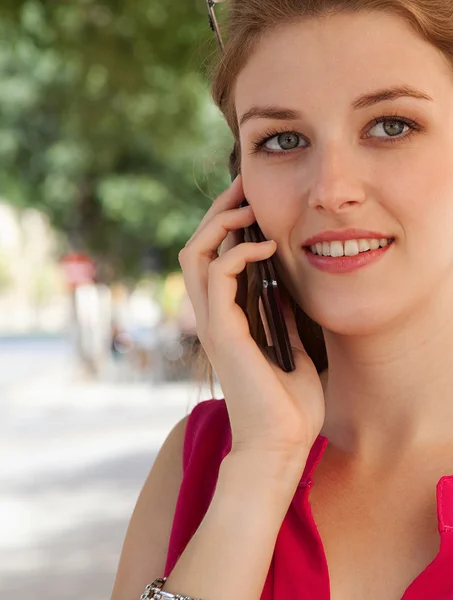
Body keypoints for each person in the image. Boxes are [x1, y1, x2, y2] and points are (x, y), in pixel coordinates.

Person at [110, 2, 453, 599]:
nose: (332, 190)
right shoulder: (200, 463)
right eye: (283, 139)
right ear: (240, 192)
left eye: (390, 125)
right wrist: (264, 463)